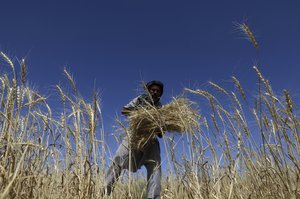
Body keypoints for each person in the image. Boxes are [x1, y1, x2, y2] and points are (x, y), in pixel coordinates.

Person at [104, 80, 164, 199]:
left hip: (151, 141)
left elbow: (161, 134)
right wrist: (142, 114)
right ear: (148, 91)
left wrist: (156, 124)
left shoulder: (162, 110)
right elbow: (124, 110)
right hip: (134, 136)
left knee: (155, 168)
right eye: (153, 90)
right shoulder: (139, 100)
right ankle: (103, 193)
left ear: (160, 94)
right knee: (118, 160)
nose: (155, 92)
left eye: (158, 91)